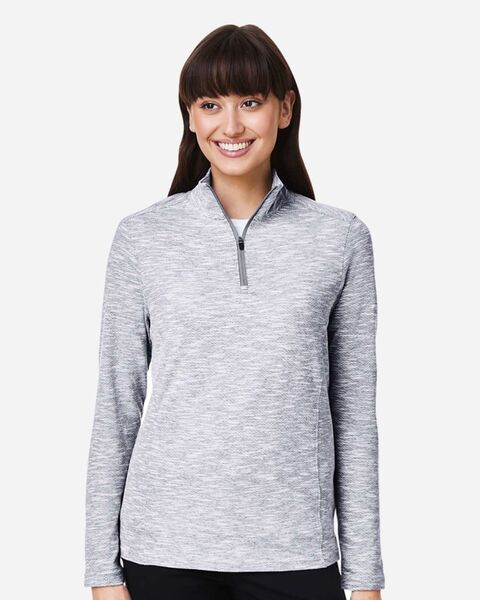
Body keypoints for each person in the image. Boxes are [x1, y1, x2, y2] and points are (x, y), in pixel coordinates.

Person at [84, 23, 385, 600]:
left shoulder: (339, 239)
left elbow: (354, 417)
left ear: (284, 109)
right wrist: (102, 569)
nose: (230, 125)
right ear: (190, 116)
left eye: (250, 102)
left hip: (295, 553)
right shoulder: (143, 238)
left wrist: (366, 576)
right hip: (163, 551)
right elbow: (117, 404)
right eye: (210, 104)